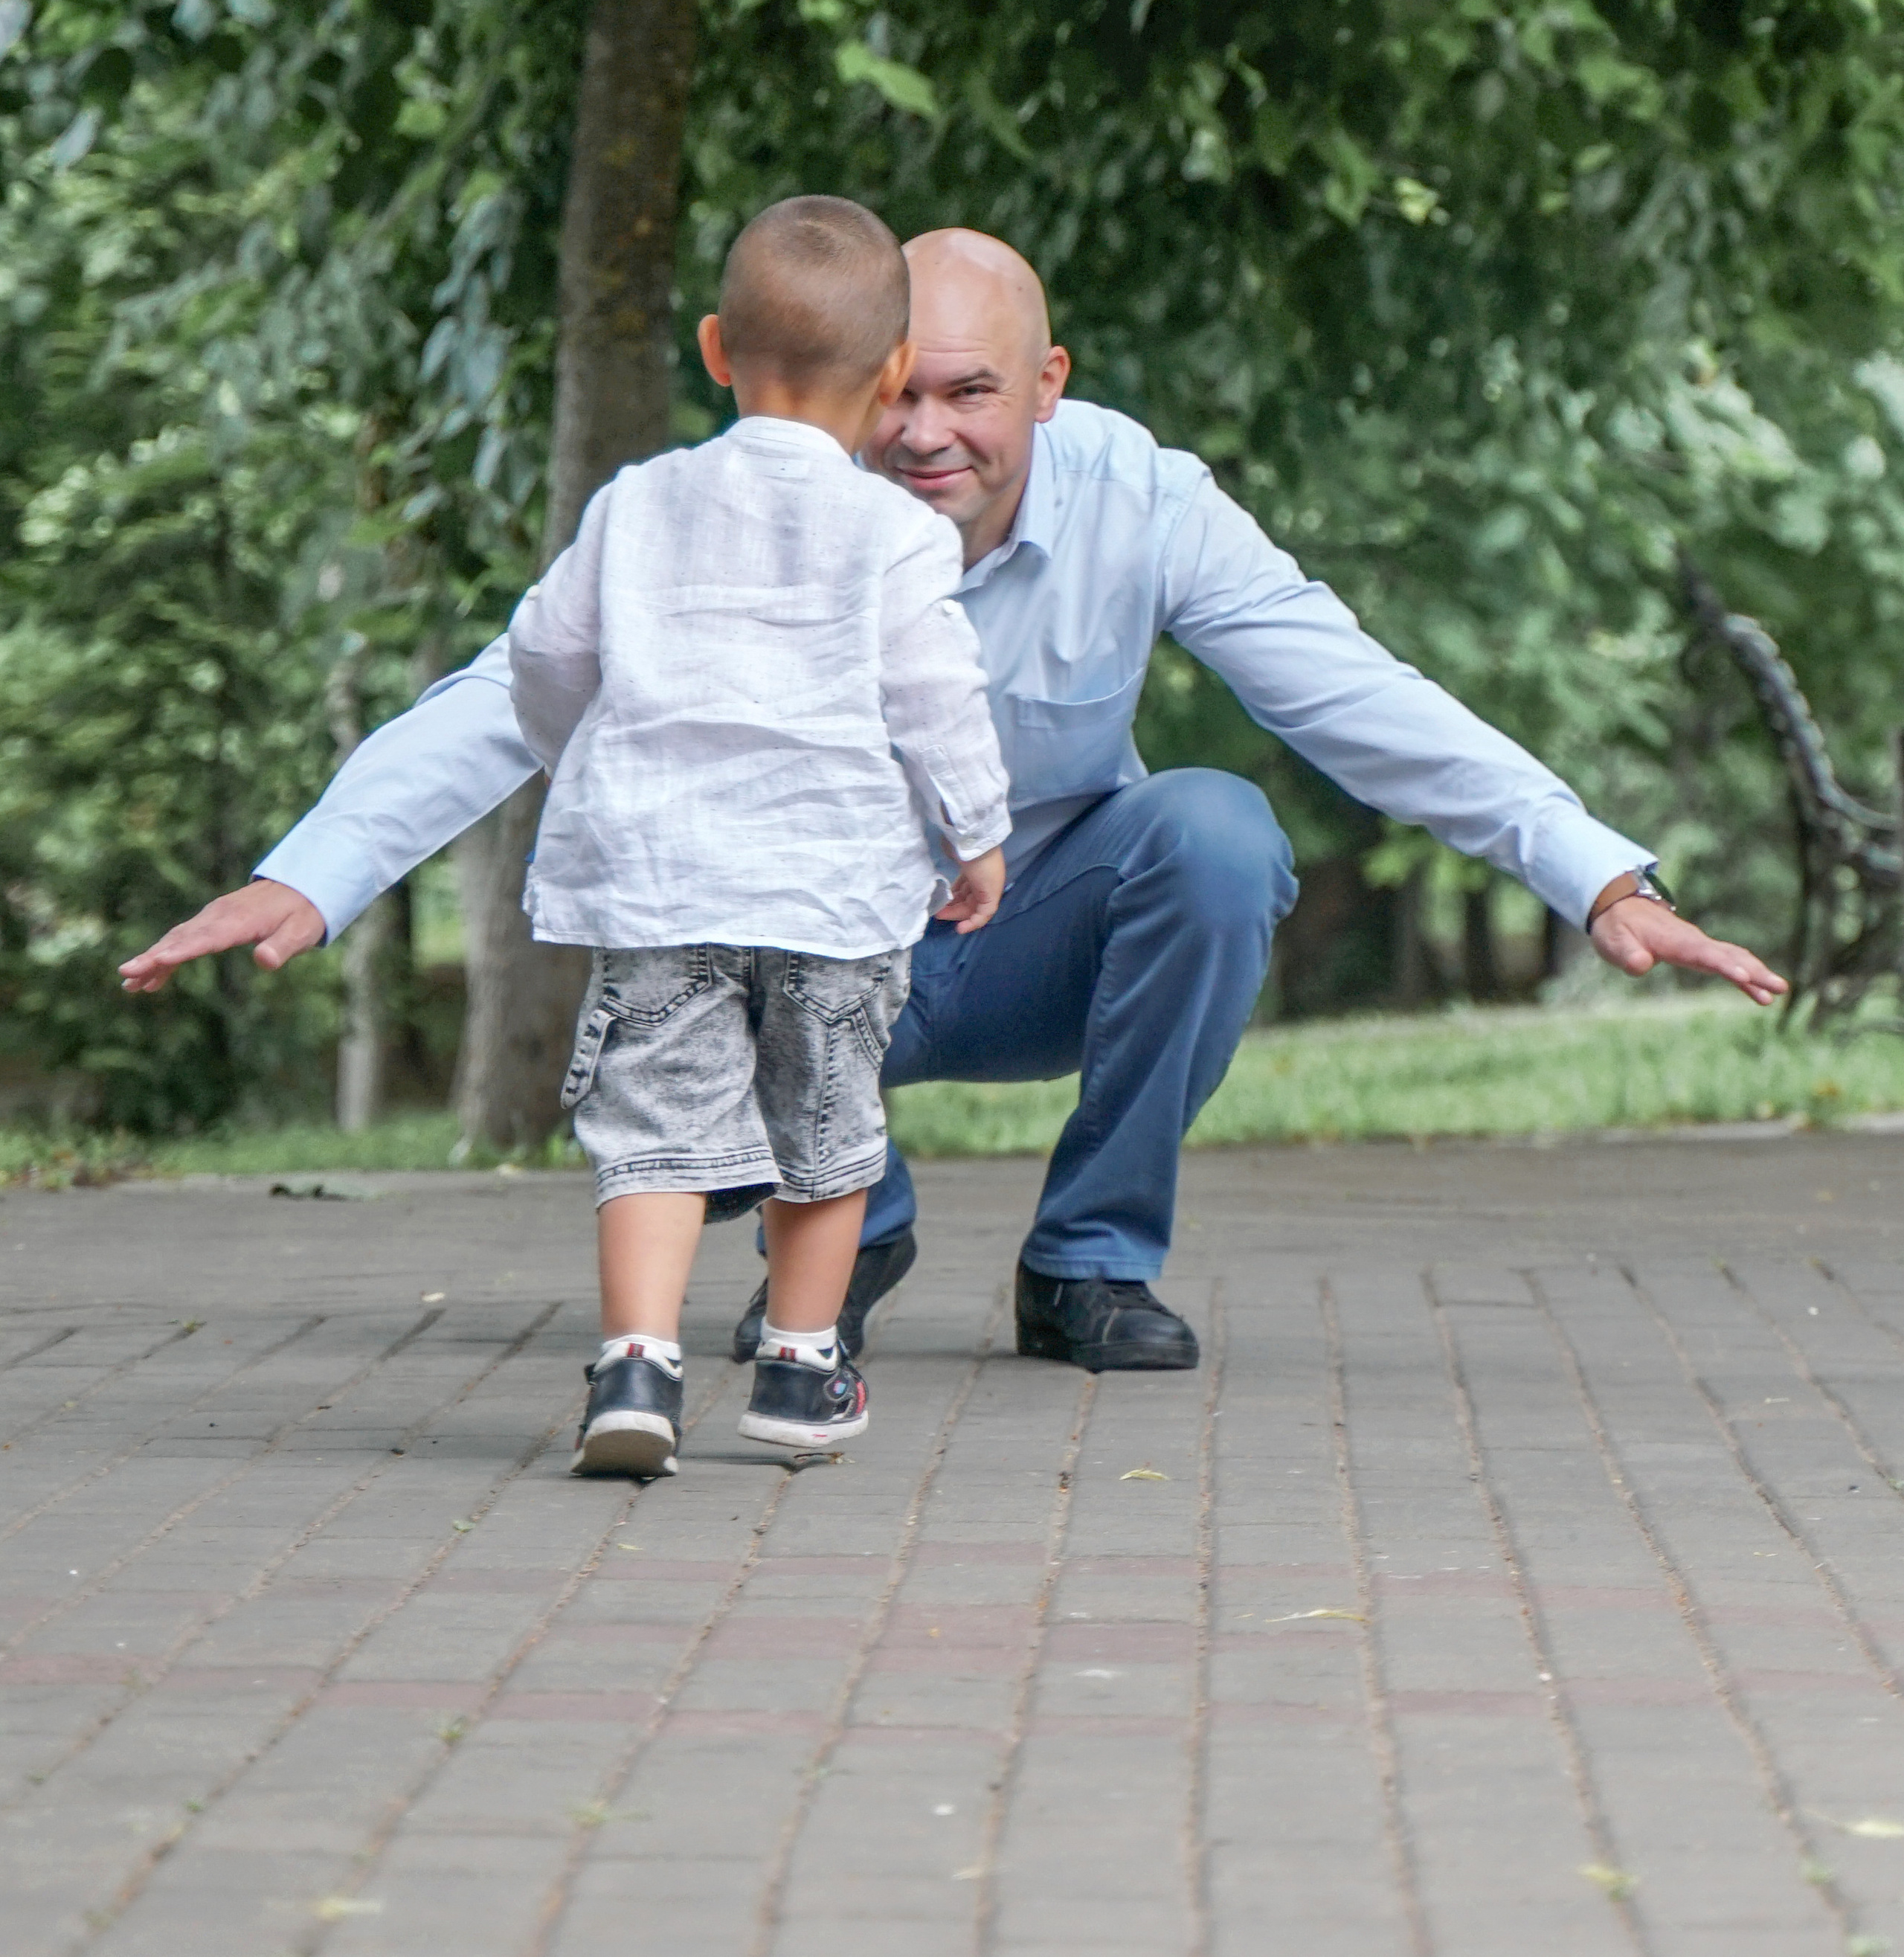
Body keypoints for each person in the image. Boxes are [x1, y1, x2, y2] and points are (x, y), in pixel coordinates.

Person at [121, 228, 1787, 1376]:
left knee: (1214, 830)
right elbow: (514, 691)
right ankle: (857, 1226)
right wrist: (315, 873)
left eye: (968, 391)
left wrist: (1590, 873)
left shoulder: (1144, 500)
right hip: (793, 951)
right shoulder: (724, 512)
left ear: (1045, 383)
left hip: (1016, 943)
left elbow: (1353, 694)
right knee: (673, 933)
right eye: (896, 386)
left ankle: (1087, 1264)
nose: (921, 431)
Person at [509, 196, 1008, 1476]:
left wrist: (582, 753)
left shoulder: (637, 503)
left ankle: (634, 1364)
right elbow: (936, 696)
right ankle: (799, 1367)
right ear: (895, 373)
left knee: (653, 1130)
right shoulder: (899, 531)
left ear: (716, 347)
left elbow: (547, 649)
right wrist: (978, 834)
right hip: (833, 892)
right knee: (826, 1133)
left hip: (666, 884)